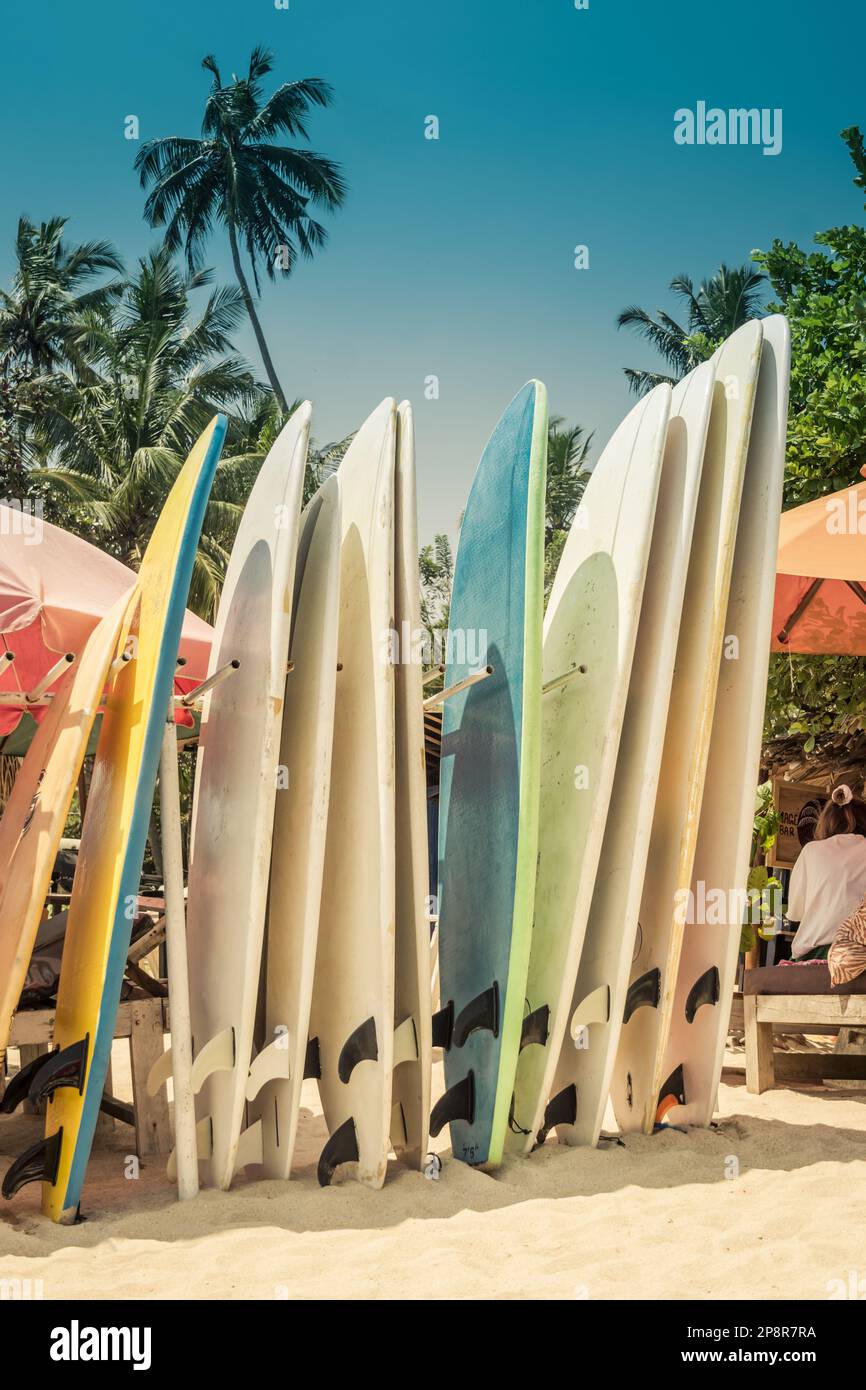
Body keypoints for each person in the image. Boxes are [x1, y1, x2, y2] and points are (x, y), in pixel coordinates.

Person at [786, 784, 866, 961]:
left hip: (812, 955)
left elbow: (795, 913)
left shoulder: (811, 851)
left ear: (826, 822)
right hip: (858, 956)